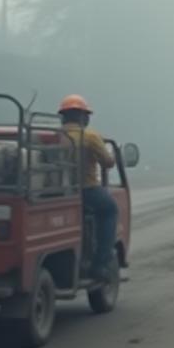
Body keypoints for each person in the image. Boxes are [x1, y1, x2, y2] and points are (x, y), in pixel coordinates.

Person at [59, 95, 117, 278]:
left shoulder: (54, 135)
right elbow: (107, 162)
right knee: (110, 210)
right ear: (83, 117)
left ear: (63, 117)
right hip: (87, 190)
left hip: (59, 192)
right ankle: (100, 262)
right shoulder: (90, 136)